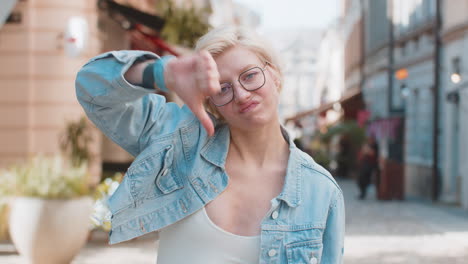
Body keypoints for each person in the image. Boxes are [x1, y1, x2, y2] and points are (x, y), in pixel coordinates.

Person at [76, 26, 344, 264]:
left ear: (274, 75)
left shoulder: (320, 191)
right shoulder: (179, 144)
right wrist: (162, 72)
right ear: (209, 103)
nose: (241, 94)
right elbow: (91, 85)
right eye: (222, 88)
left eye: (249, 75)